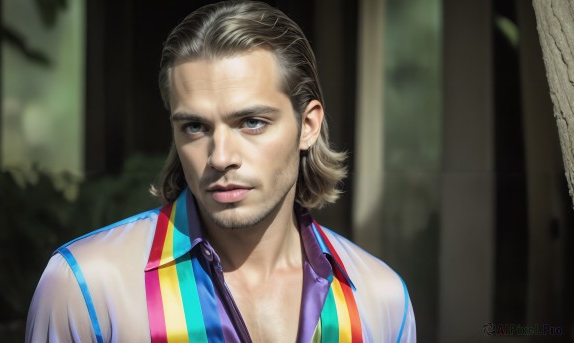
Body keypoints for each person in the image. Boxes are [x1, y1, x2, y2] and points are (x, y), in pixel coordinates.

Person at [25, 1, 416, 342]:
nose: (220, 156)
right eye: (195, 127)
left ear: (308, 126)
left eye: (251, 122)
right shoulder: (86, 287)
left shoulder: (379, 298)